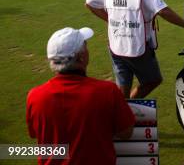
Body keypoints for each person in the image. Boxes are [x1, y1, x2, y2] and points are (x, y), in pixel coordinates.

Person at [26, 27, 135, 165]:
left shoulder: (35, 96)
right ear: (81, 57)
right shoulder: (108, 91)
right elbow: (126, 133)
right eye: (86, 46)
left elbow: (35, 134)